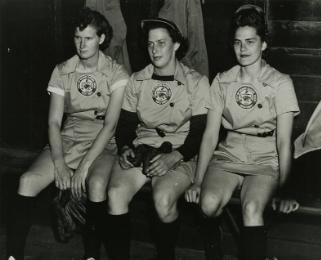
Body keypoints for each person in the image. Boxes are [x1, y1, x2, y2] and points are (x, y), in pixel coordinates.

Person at [6, 7, 129, 260]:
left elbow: (110, 126)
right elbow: (53, 123)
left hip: (101, 143)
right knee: (27, 181)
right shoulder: (62, 70)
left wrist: (83, 167)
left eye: (88, 38)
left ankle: (91, 255)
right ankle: (12, 256)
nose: (81, 45)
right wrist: (60, 163)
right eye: (77, 38)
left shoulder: (116, 72)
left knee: (95, 185)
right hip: (68, 139)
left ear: (102, 39)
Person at [185, 4, 300, 260]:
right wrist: (197, 180)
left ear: (263, 45)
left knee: (251, 208)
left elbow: (284, 141)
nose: (243, 49)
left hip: (265, 156)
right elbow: (211, 136)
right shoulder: (222, 80)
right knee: (208, 203)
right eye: (237, 43)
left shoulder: (280, 82)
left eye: (250, 42)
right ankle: (213, 247)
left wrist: (284, 188)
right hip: (230, 153)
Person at [105, 18, 210, 260]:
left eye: (161, 43)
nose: (155, 50)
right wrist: (124, 148)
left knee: (163, 198)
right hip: (144, 147)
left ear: (176, 46)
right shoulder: (138, 80)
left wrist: (175, 157)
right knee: (115, 194)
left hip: (183, 150)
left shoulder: (196, 82)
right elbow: (127, 124)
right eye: (151, 44)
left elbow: (199, 133)